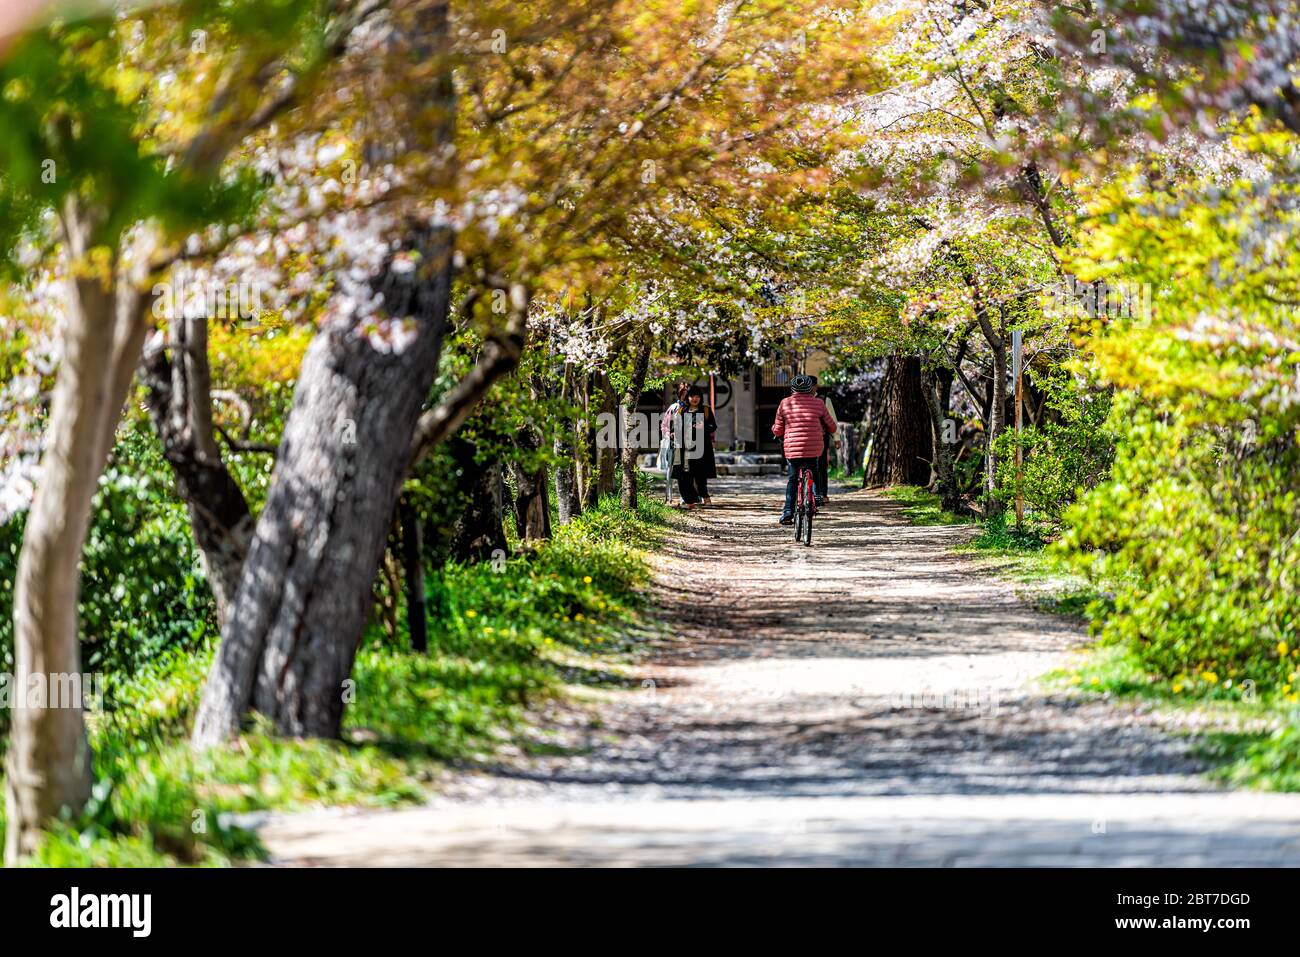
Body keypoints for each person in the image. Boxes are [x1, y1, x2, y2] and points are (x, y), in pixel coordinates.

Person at [772, 374, 837, 524]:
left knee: (793, 480)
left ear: (793, 388)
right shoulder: (819, 403)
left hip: (793, 449)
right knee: (814, 470)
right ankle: (817, 495)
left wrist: (775, 430)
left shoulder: (785, 403)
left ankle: (788, 511)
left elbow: (778, 430)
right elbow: (832, 426)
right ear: (810, 388)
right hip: (814, 447)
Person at [674, 385, 717, 508]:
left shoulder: (706, 410)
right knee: (686, 475)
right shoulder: (682, 411)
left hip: (702, 448)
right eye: (692, 396)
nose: (695, 399)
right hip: (686, 448)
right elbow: (675, 427)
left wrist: (703, 426)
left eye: (697, 396)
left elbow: (713, 426)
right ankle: (690, 502)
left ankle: (706, 498)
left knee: (701, 475)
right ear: (687, 397)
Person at [809, 375, 840, 506]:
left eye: (810, 385)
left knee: (821, 465)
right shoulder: (800, 399)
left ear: (815, 386)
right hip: (807, 437)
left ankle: (823, 493)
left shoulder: (824, 400)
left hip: (821, 437)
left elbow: (832, 420)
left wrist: (837, 438)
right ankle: (808, 494)